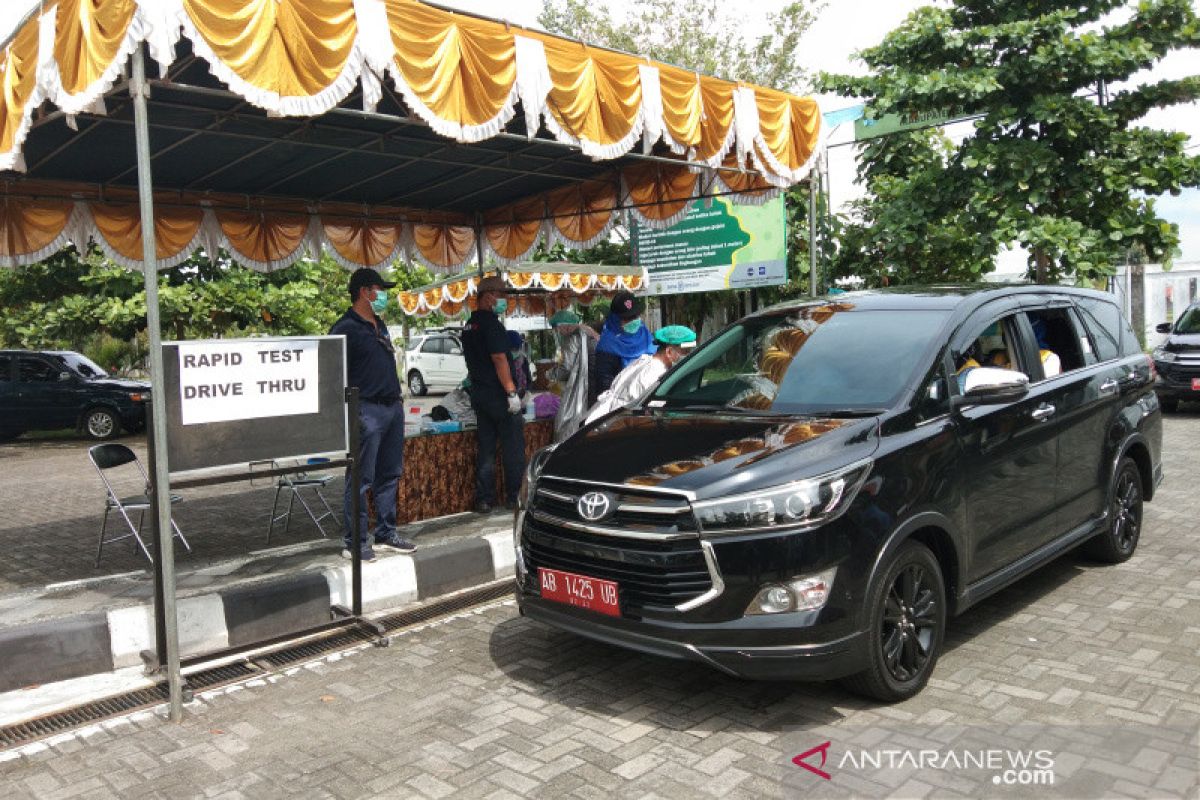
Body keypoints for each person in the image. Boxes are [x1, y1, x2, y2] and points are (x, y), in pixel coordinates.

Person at [329, 267, 415, 561]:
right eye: (380, 290)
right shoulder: (344, 328)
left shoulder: (379, 324)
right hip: (365, 409)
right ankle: (355, 540)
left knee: (389, 473)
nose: (384, 296)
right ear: (366, 292)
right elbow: (331, 374)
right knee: (361, 477)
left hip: (392, 406)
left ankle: (386, 532)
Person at [461, 276, 526, 513]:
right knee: (513, 449)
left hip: (479, 394)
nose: (505, 301)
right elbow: (499, 358)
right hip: (499, 396)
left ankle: (484, 499)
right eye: (503, 296)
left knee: (486, 449)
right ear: (489, 297)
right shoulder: (492, 325)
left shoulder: (469, 325)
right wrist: (511, 392)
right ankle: (515, 497)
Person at [585, 325, 696, 424]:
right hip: (613, 423)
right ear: (669, 352)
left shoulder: (645, 361)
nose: (688, 357)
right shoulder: (654, 375)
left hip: (605, 417)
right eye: (685, 352)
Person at [594, 291, 656, 397]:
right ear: (615, 319)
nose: (633, 321)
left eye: (635, 316)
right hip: (621, 404)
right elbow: (604, 385)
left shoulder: (645, 335)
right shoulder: (607, 345)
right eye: (627, 318)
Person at [547, 309, 597, 442]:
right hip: (595, 384)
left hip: (582, 388)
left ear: (565, 326)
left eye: (557, 329)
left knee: (568, 424)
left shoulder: (572, 338)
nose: (558, 332)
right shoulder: (589, 333)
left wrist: (550, 374)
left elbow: (566, 369)